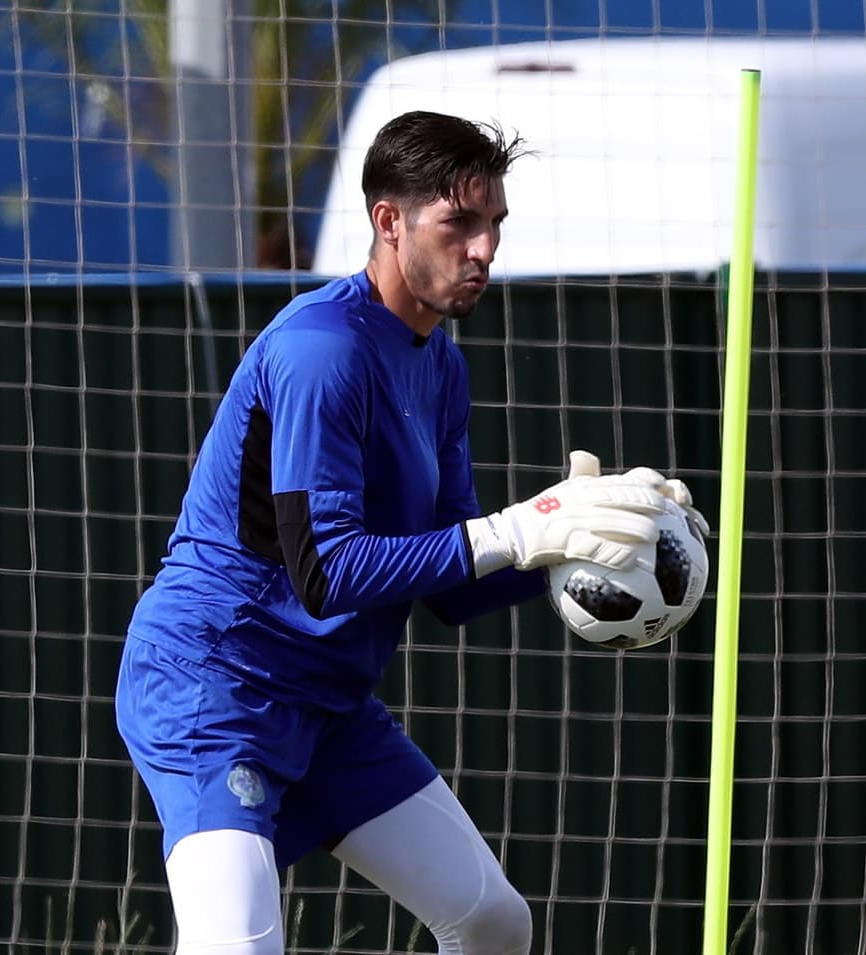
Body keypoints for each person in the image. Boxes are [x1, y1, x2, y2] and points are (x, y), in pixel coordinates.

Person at [115, 110, 703, 955]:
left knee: (495, 921)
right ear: (389, 222)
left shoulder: (439, 361)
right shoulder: (322, 350)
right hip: (213, 688)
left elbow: (452, 587)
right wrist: (519, 528)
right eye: (458, 223)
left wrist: (574, 541)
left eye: (495, 223)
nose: (485, 249)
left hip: (328, 707)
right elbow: (328, 571)